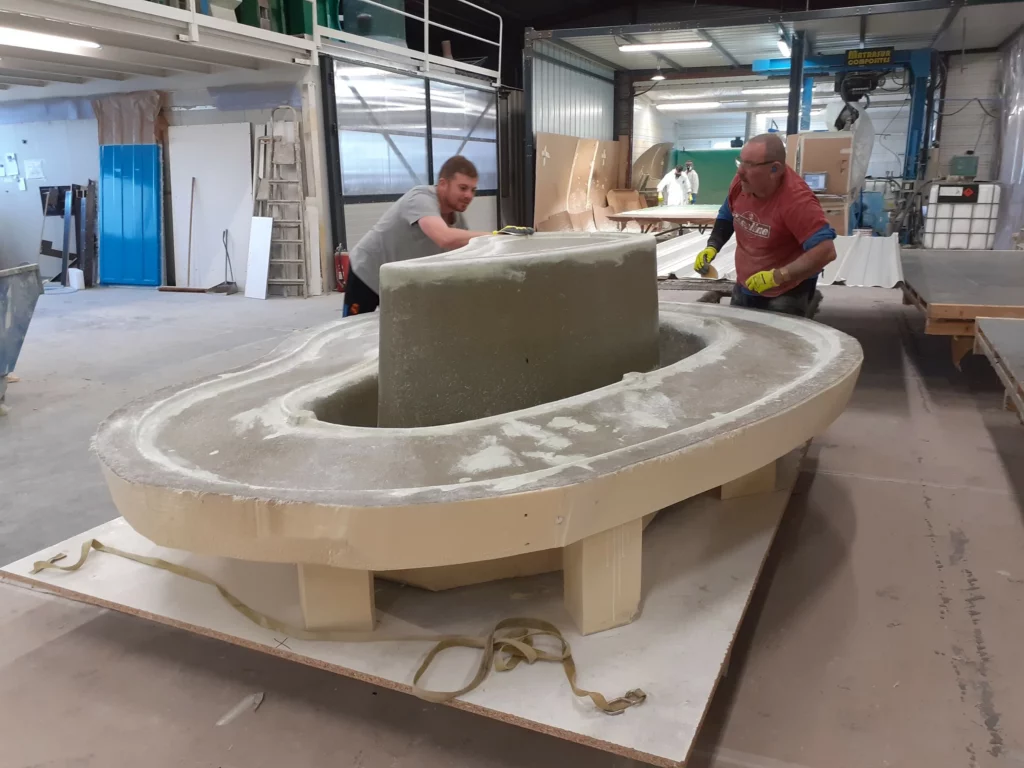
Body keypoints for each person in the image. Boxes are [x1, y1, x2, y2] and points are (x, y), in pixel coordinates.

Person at [693, 133, 837, 317]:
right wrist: (712, 246)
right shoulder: (743, 183)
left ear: (774, 169)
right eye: (740, 162)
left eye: (750, 165)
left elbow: (825, 251)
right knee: (740, 330)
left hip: (786, 291)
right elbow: (727, 214)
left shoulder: (797, 201)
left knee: (779, 334)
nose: (740, 172)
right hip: (746, 283)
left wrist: (778, 276)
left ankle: (810, 300)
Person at [344, 155, 494, 316]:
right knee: (353, 328)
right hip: (367, 273)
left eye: (473, 190)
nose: (469, 196)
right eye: (463, 188)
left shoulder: (457, 220)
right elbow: (444, 237)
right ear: (443, 184)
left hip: (395, 282)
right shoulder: (420, 198)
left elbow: (464, 255)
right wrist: (496, 236)